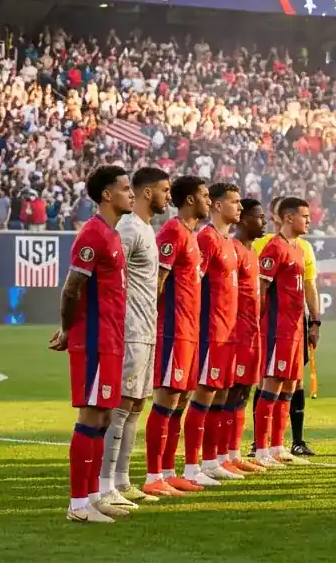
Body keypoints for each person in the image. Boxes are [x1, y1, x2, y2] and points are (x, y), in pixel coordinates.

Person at [47, 164, 133, 523]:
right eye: (126, 188)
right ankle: (77, 504)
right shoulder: (93, 234)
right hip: (94, 338)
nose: (131, 194)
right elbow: (71, 289)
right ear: (107, 195)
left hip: (111, 338)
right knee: (91, 416)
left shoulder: (112, 235)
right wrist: (68, 330)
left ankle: (94, 496)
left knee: (104, 417)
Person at [96, 166, 170, 513]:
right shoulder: (127, 228)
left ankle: (122, 480)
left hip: (146, 330)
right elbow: (109, 275)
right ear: (146, 192)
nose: (167, 196)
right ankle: (104, 484)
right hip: (129, 331)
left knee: (136, 405)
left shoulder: (145, 229)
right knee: (121, 407)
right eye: (164, 190)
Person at [143, 175, 212, 497]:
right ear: (189, 200)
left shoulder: (192, 235)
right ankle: (153, 475)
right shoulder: (171, 231)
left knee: (180, 401)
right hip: (172, 330)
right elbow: (157, 280)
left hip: (189, 330)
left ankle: (169, 472)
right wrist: (153, 322)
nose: (208, 201)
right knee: (166, 400)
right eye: (204, 196)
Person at [254, 197, 322, 458]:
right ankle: (261, 449)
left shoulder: (300, 250)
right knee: (272, 385)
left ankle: (278, 446)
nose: (309, 220)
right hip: (276, 329)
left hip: (296, 329)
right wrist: (257, 325)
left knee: (290, 387)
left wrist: (312, 322)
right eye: (305, 216)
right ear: (289, 218)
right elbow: (261, 290)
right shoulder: (274, 248)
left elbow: (305, 289)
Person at [191, 182, 246, 485]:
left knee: (222, 394)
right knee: (204, 393)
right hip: (210, 329)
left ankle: (211, 461)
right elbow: (193, 285)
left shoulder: (229, 243)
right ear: (216, 205)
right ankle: (191, 466)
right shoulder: (206, 239)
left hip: (229, 331)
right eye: (234, 202)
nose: (239, 207)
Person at [224, 198, 268, 474]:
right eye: (259, 217)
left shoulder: (252, 253)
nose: (264, 222)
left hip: (252, 333)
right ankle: (217, 456)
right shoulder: (234, 250)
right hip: (234, 334)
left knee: (243, 393)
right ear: (243, 220)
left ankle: (234, 453)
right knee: (228, 394)